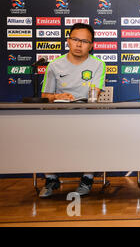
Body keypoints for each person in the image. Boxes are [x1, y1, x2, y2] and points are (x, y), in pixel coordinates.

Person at [40, 23, 106, 198]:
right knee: (40, 134)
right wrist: (58, 97)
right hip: (58, 115)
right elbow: (45, 95)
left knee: (93, 135)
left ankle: (87, 178)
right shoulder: (54, 65)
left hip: (87, 115)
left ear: (91, 45)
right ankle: (51, 179)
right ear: (68, 40)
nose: (79, 44)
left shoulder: (98, 65)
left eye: (84, 41)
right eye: (75, 39)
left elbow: (95, 94)